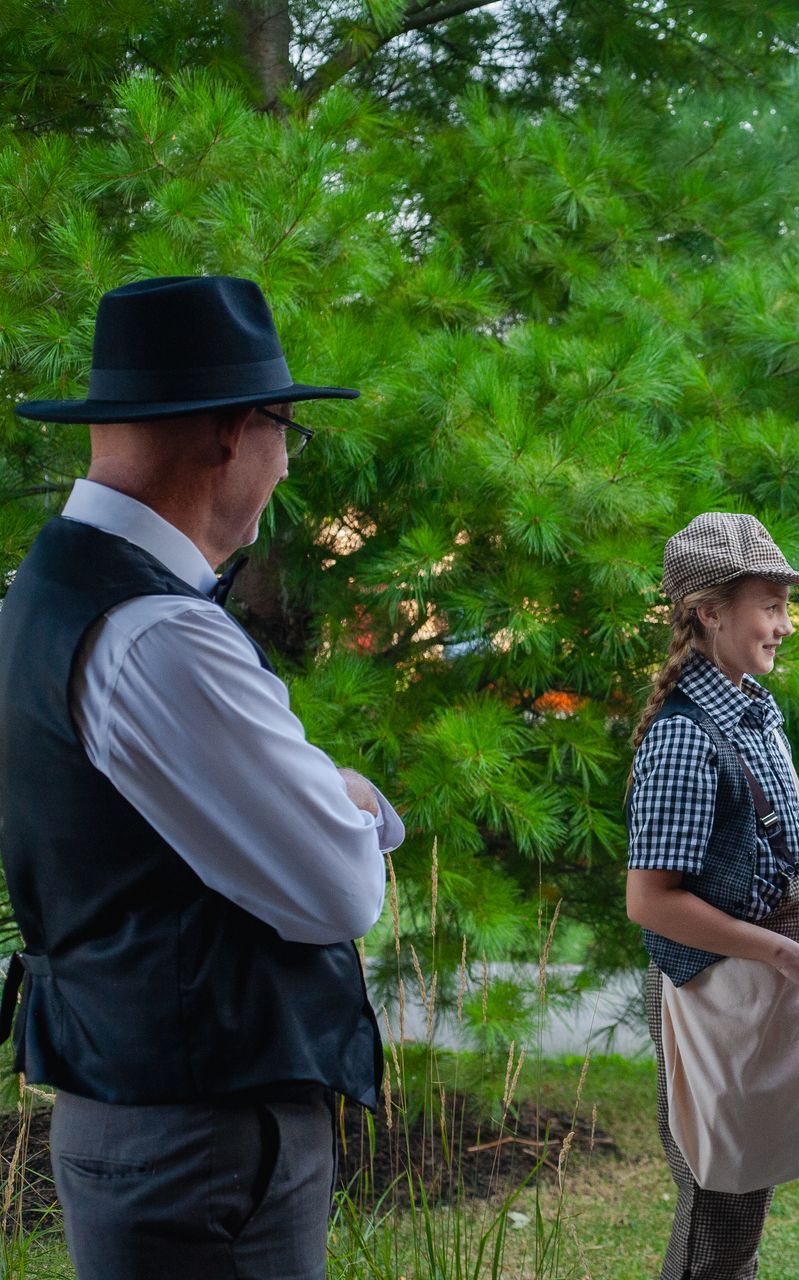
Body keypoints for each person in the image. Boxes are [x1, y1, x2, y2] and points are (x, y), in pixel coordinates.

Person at [0, 276, 405, 1278]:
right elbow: (338, 887)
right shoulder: (160, 636)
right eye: (286, 435)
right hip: (203, 1146)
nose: (281, 468)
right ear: (232, 431)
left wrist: (326, 799)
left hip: (144, 1115)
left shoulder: (43, 592)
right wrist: (347, 799)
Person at [625, 511, 799, 1280]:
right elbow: (651, 902)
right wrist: (782, 949)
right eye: (770, 603)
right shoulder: (687, 735)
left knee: (740, 1204)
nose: (784, 624)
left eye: (785, 605)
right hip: (715, 997)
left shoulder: (747, 711)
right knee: (718, 1215)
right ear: (710, 612)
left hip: (753, 997)